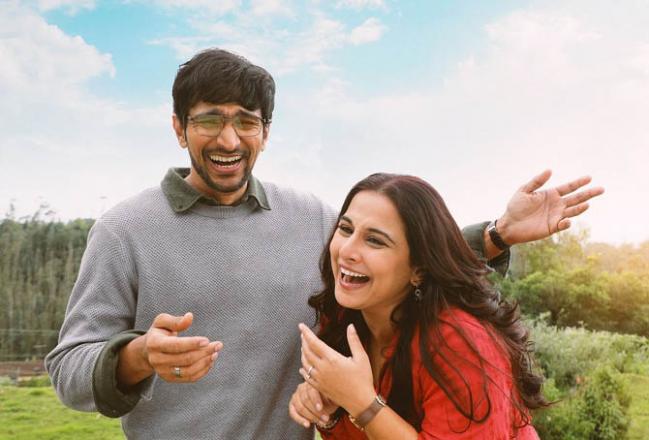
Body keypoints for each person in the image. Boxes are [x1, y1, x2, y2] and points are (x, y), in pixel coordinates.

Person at [44, 48, 602, 439]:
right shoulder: (124, 230)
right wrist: (137, 355)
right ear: (178, 127)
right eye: (209, 119)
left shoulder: (311, 215)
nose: (229, 138)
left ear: (266, 131)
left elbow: (388, 261)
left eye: (247, 121)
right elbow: (70, 369)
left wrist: (497, 235)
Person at [289, 173, 546, 439]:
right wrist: (329, 410)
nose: (347, 251)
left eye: (375, 240)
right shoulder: (346, 318)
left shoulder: (460, 343)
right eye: (346, 229)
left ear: (419, 270)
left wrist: (361, 402)